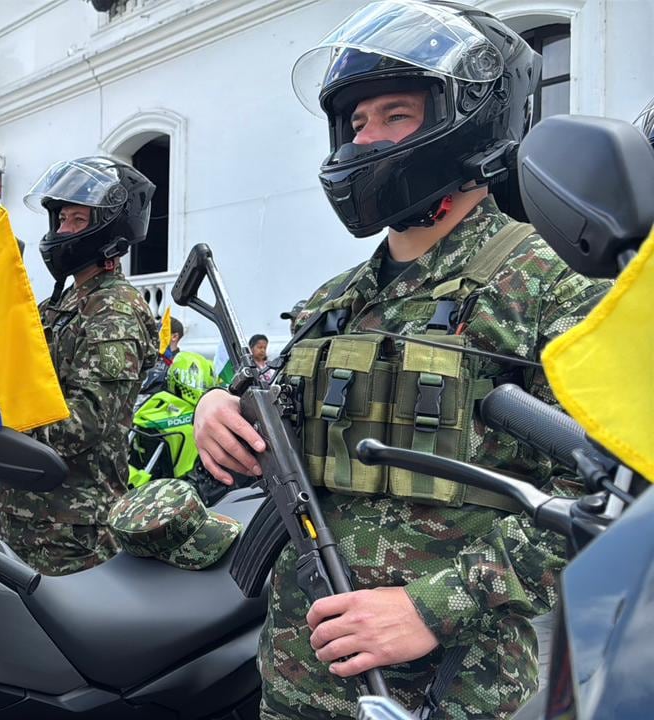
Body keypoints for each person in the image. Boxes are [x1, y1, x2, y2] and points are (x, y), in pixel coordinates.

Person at [193, 4, 609, 718]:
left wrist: (431, 606)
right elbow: (266, 409)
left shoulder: (552, 287)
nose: (367, 140)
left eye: (395, 116)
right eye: (356, 123)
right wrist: (217, 410)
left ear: (470, 117)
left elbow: (607, 498)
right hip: (297, 674)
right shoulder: (335, 300)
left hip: (446, 684)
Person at [0, 156, 159, 576]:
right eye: (61, 218)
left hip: (71, 530)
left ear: (109, 227)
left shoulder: (114, 308)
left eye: (76, 220)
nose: (62, 230)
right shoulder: (59, 304)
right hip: (22, 512)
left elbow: (82, 424)